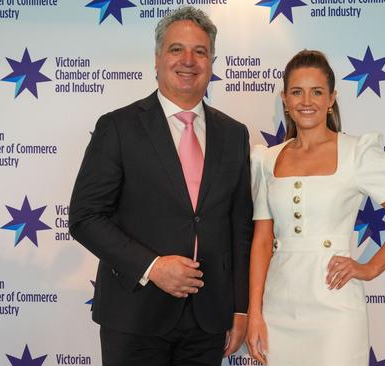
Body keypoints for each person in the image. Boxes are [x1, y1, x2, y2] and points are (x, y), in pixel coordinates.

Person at [68, 7, 253, 366]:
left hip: (209, 318)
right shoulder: (117, 127)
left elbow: (239, 228)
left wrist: (240, 309)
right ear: (157, 59)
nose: (188, 60)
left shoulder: (234, 134)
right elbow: (85, 217)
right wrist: (153, 266)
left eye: (200, 51)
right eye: (176, 49)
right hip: (134, 315)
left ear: (212, 61)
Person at [245, 50, 385, 365]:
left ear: (332, 98)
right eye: (297, 92)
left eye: (317, 92)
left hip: (336, 306)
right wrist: (255, 313)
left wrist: (370, 267)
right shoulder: (267, 159)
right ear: (285, 99)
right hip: (278, 306)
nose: (306, 101)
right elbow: (261, 241)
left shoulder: (358, 153)